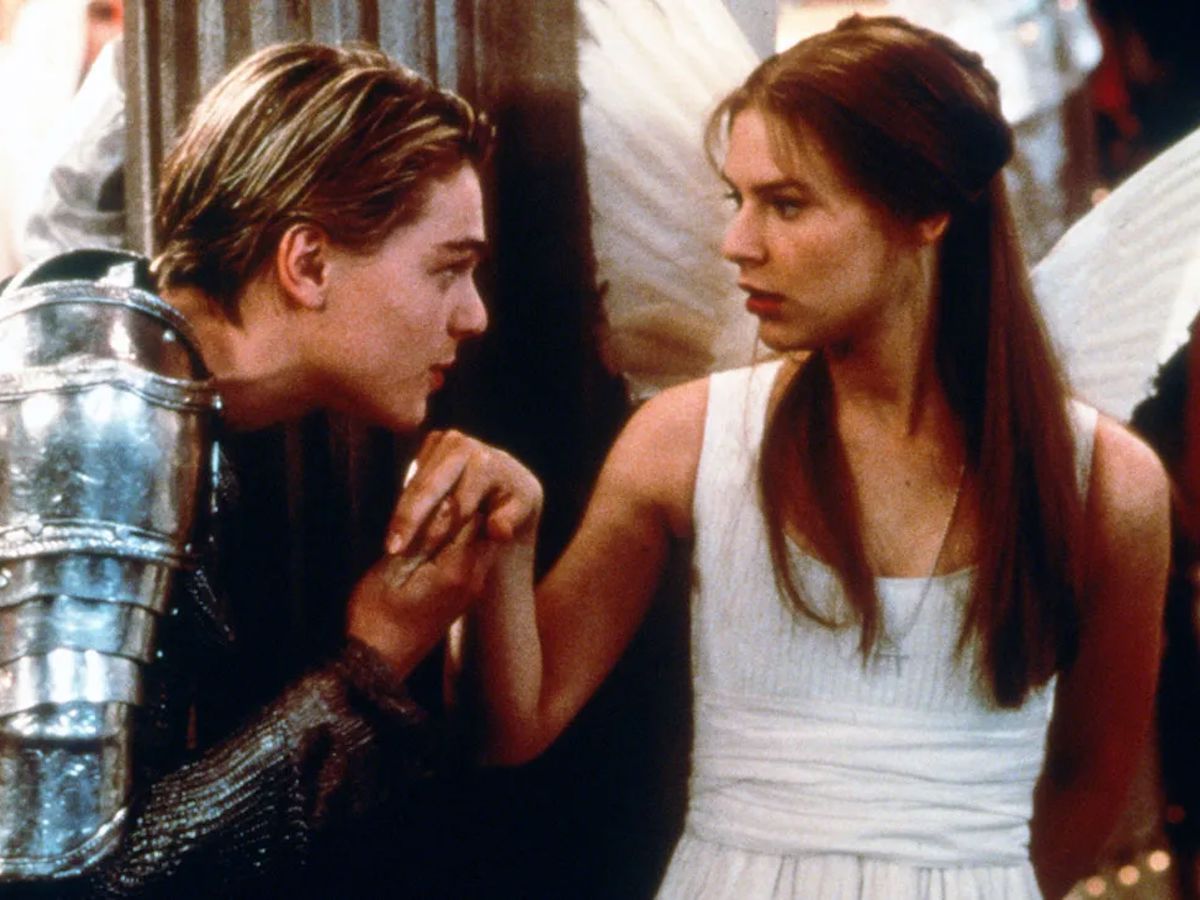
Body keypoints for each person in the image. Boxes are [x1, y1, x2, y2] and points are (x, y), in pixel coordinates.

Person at [391, 15, 1171, 899]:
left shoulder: (1107, 481)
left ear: (926, 211)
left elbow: (1091, 778)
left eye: (787, 205)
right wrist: (507, 549)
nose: (738, 243)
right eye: (738, 199)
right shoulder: (687, 439)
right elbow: (508, 730)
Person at [0, 41, 539, 897]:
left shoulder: (155, 379)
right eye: (449, 267)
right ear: (308, 264)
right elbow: (60, 881)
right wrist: (370, 667)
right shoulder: (101, 413)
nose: (474, 315)